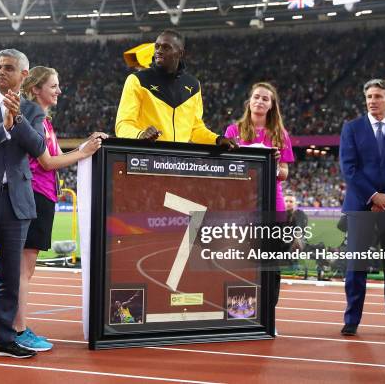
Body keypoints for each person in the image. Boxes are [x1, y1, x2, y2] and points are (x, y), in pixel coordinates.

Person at [0, 50, 103, 362]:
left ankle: (4, 339)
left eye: (8, 68)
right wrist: (4, 126)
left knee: (10, 276)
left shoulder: (34, 112)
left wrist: (17, 119)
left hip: (17, 204)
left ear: (23, 75)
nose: (0, 72)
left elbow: (38, 147)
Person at [13, 66, 107, 352]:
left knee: (24, 269)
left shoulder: (44, 120)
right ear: (36, 89)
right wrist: (83, 152)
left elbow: (52, 157)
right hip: (34, 196)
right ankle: (17, 331)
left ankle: (13, 326)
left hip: (41, 196)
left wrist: (83, 147)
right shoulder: (34, 115)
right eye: (53, 86)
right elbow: (47, 163)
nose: (59, 90)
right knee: (23, 270)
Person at [339, 78, 385, 338]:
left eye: (378, 96)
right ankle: (352, 320)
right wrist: (373, 196)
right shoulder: (351, 128)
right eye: (369, 96)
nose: (372, 101)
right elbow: (349, 168)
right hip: (360, 206)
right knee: (356, 267)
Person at [224, 82, 294, 325]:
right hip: (241, 205)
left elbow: (284, 174)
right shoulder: (233, 131)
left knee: (270, 266)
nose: (260, 101)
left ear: (272, 105)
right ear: (249, 101)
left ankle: (267, 318)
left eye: (266, 98)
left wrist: (274, 162)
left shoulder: (280, 134)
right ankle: (239, 316)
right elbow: (225, 168)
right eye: (257, 97)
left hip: (272, 204)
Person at [115, 28, 236, 148]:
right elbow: (123, 125)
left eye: (166, 47)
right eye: (157, 46)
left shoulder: (193, 85)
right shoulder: (137, 80)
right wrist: (140, 135)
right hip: (145, 158)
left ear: (180, 53)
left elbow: (195, 129)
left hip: (178, 162)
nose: (159, 51)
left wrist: (218, 139)